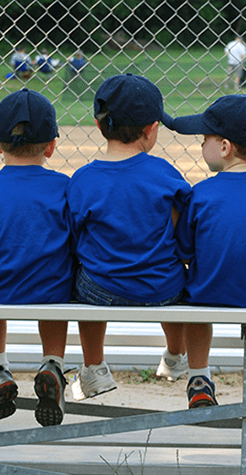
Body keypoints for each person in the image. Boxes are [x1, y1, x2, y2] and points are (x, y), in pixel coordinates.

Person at [67, 74, 191, 400]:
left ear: (98, 124)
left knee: (82, 277)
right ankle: (175, 356)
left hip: (100, 290)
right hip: (162, 288)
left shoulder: (83, 179)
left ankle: (94, 368)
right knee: (180, 280)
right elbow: (181, 228)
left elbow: (75, 235)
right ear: (151, 130)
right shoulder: (165, 173)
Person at [0, 88, 79, 427]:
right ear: (51, 147)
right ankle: (53, 364)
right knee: (59, 285)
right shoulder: (64, 186)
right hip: (51, 289)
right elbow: (74, 241)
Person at [172, 94, 246, 431]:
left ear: (224, 147)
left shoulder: (200, 193)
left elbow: (184, 252)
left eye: (205, 138)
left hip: (207, 295)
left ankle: (198, 380)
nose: (202, 144)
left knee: (193, 302)